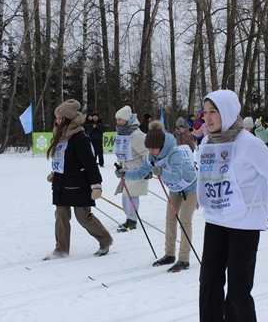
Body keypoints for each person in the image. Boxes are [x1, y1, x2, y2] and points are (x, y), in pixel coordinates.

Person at [197, 89, 268, 322]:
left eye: (213, 111)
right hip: (215, 220)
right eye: (205, 112)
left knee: (237, 290)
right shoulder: (206, 142)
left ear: (227, 112)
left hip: (244, 224)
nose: (208, 117)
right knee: (209, 285)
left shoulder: (248, 144)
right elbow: (205, 176)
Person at [115, 120, 198, 273]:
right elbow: (141, 172)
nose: (151, 151)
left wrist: (160, 172)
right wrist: (125, 173)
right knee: (170, 220)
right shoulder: (151, 156)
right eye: (149, 148)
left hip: (190, 188)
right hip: (175, 190)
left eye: (154, 148)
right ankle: (169, 255)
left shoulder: (174, 154)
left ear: (162, 145)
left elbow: (177, 176)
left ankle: (184, 259)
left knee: (185, 222)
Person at [45, 99, 113, 259]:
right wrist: (55, 173)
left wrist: (96, 184)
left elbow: (90, 163)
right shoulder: (59, 136)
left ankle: (105, 239)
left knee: (82, 216)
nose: (57, 120)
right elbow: (62, 159)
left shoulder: (79, 138)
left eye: (60, 118)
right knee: (60, 215)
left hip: (79, 183)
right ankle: (61, 249)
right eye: (57, 117)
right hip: (61, 182)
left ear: (68, 119)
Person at [113, 105, 149, 232]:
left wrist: (146, 170)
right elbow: (121, 151)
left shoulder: (136, 135)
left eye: (120, 120)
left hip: (137, 170)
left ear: (127, 120)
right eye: (117, 120)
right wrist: (120, 166)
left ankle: (132, 220)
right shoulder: (123, 133)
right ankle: (129, 218)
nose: (118, 122)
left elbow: (146, 154)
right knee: (125, 196)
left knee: (131, 195)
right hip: (127, 170)